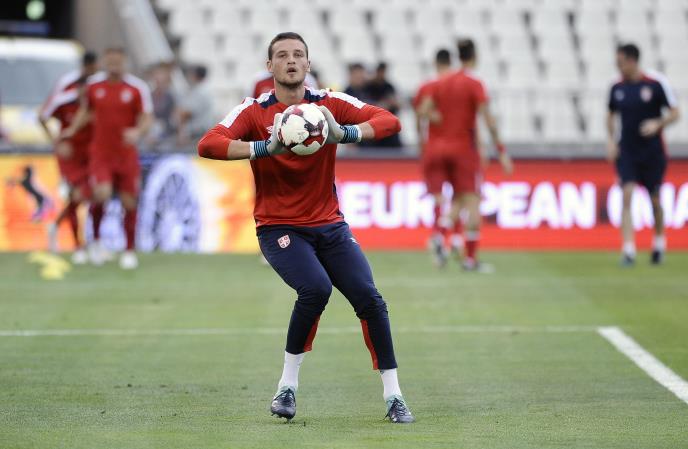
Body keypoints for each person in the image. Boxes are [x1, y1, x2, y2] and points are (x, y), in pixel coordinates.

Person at [198, 32, 414, 424]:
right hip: (278, 226)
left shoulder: (328, 103)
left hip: (329, 225)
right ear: (270, 66)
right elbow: (208, 144)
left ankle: (394, 396)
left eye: (298, 54)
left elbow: (390, 121)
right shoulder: (254, 110)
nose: (291, 60)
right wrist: (264, 147)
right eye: (282, 55)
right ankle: (287, 387)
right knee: (315, 288)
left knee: (370, 299)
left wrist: (345, 133)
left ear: (308, 64)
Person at [417, 39, 513, 271]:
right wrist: (500, 150)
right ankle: (470, 259)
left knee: (458, 199)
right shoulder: (473, 83)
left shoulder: (441, 82)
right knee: (472, 200)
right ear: (474, 56)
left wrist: (437, 119)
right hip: (463, 150)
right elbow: (487, 119)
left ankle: (440, 235)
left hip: (439, 148)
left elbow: (423, 110)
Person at [62, 47, 153, 270]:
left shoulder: (136, 88)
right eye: (110, 61)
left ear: (125, 62)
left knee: (129, 201)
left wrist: (138, 132)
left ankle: (129, 251)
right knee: (100, 193)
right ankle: (96, 242)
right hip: (100, 153)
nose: (114, 65)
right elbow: (86, 111)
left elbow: (147, 117)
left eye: (118, 61)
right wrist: (72, 130)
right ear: (104, 62)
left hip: (126, 154)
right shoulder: (94, 86)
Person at [606, 43, 680, 266]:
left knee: (655, 199)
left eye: (620, 63)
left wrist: (657, 123)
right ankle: (628, 250)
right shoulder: (617, 87)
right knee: (626, 195)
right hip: (627, 151)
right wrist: (611, 141)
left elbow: (675, 113)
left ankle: (659, 244)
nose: (618, 67)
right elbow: (610, 115)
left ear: (632, 61)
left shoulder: (655, 84)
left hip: (652, 152)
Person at [39, 51, 99, 262]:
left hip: (90, 155)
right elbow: (42, 116)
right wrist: (57, 143)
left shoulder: (97, 101)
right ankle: (78, 246)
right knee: (77, 195)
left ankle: (58, 227)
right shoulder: (65, 95)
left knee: (93, 196)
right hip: (70, 155)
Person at [413, 48, 461, 267]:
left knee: (439, 197)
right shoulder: (460, 86)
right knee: (461, 195)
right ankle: (455, 238)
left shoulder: (428, 86)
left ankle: (439, 236)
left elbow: (420, 114)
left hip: (434, 146)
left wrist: (420, 141)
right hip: (460, 147)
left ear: (436, 63)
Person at [364, 62, 402, 147]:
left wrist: (392, 103)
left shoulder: (389, 86)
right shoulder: (369, 87)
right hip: (374, 125)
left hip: (388, 126)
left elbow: (397, 104)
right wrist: (381, 105)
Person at [176, 64, 214, 146]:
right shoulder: (202, 89)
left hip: (198, 134)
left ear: (196, 75)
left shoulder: (200, 91)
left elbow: (186, 113)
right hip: (200, 134)